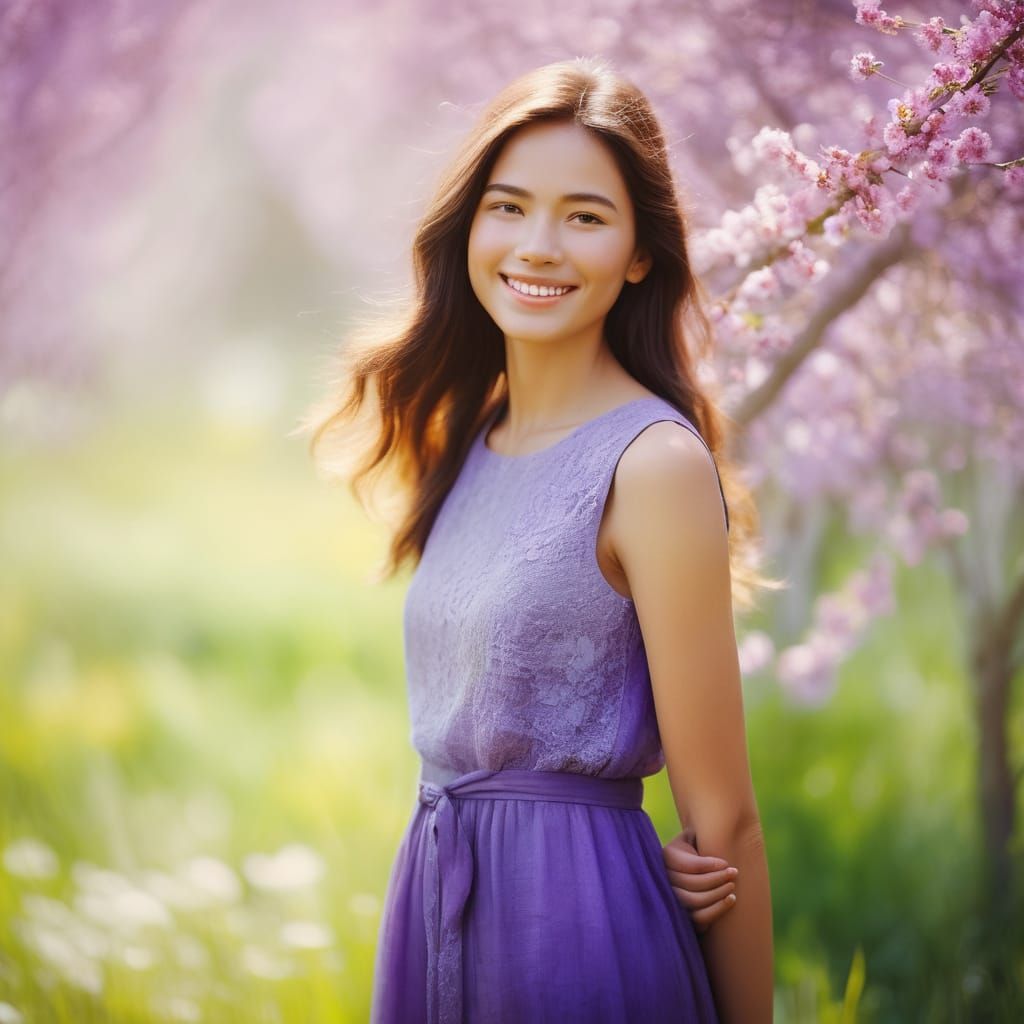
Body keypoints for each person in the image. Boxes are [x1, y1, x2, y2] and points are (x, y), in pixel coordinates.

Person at [300, 55, 775, 1023]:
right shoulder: (471, 440)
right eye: (508, 207)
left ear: (641, 252)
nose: (538, 245)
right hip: (440, 900)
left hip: (578, 928)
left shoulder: (651, 466)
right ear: (470, 224)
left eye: (586, 216)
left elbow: (724, 821)